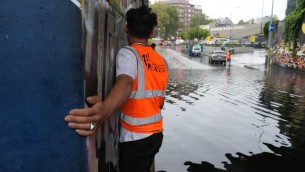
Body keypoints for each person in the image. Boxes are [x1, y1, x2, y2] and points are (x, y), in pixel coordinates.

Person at [64, 5, 168, 172]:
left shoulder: (129, 53)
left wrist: (104, 109)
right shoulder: (161, 61)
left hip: (136, 138)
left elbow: (126, 82)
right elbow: (160, 102)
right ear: (151, 34)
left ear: (126, 28)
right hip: (156, 134)